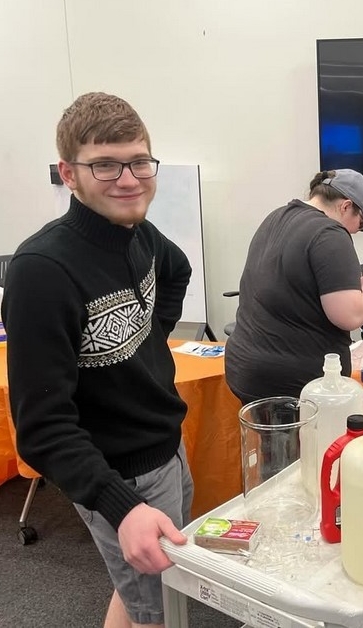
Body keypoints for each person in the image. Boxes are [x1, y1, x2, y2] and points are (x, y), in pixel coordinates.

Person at [2, 92, 193, 628]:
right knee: (159, 612)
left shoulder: (140, 234)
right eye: (104, 164)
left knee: (138, 595)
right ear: (69, 173)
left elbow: (176, 271)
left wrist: (148, 336)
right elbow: (41, 429)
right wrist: (122, 507)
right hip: (119, 475)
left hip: (168, 448)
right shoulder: (41, 270)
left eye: (139, 161)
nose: (128, 178)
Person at [225, 169, 363, 402]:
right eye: (359, 224)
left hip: (245, 367)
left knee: (265, 439)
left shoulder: (277, 217)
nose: (354, 232)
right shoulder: (330, 233)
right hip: (294, 384)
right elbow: (349, 315)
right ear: (346, 206)